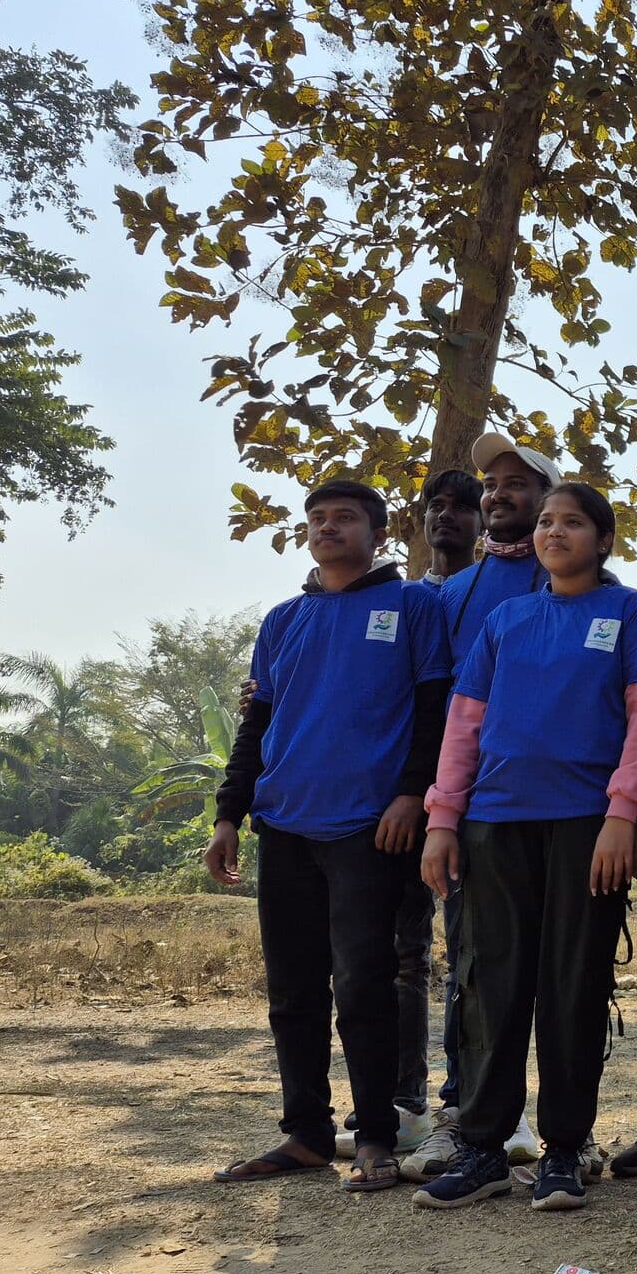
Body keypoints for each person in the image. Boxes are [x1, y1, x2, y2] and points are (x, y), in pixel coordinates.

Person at [412, 481, 637, 1212]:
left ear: (604, 539)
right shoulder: (506, 619)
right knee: (489, 989)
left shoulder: (632, 614)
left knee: (574, 988)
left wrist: (624, 813)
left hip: (589, 827)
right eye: (548, 521)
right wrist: (442, 818)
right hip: (494, 823)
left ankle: (564, 1150)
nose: (555, 532)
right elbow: (464, 724)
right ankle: (482, 1149)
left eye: (574, 522)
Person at [206, 479, 451, 1193]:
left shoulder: (414, 605)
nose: (327, 528)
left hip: (370, 829)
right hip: (283, 823)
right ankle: (307, 1133)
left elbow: (435, 708)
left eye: (345, 517)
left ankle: (374, 1136)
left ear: (379, 533)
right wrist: (229, 814)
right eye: (317, 519)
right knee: (293, 992)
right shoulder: (284, 620)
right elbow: (257, 725)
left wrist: (413, 794)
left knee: (366, 985)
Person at [403, 435, 560, 1182]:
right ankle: (463, 1115)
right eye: (491, 484)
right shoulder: (451, 592)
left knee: (563, 971)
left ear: (549, 499)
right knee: (471, 966)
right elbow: (430, 696)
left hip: (566, 810)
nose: (499, 495)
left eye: (517, 483)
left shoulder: (579, 581)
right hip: (474, 808)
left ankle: (566, 1130)